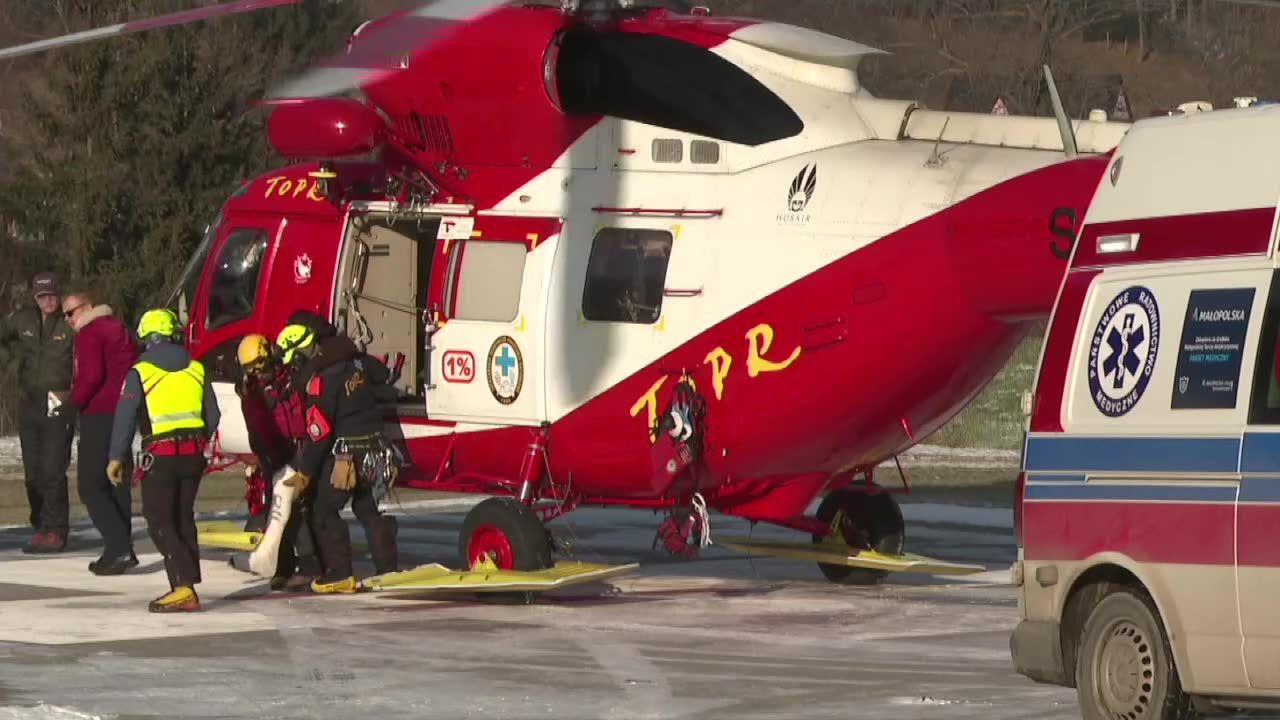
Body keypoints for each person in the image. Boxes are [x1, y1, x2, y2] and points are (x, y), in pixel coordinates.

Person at [108, 309, 219, 613]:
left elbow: (125, 419)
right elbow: (214, 416)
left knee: (159, 519)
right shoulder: (197, 368)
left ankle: (183, 588)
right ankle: (187, 583)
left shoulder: (140, 373)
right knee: (183, 516)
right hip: (193, 456)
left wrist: (115, 457)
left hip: (161, 458)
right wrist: (198, 440)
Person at [277, 322, 400, 594]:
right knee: (367, 509)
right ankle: (388, 571)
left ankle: (340, 573)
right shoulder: (358, 363)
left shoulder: (321, 383)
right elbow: (386, 377)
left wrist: (306, 472)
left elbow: (319, 435)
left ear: (299, 356)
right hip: (377, 451)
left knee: (323, 510)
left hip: (348, 456)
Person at [234, 333, 322, 591]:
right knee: (281, 509)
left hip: (297, 451)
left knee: (300, 508)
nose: (257, 373)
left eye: (258, 366)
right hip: (275, 456)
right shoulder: (254, 393)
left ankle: (309, 565)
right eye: (250, 369)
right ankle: (284, 567)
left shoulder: (288, 380)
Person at [62, 287, 140, 575]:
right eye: (64, 315)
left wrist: (72, 404)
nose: (68, 319)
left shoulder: (90, 332)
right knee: (116, 479)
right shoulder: (119, 328)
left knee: (91, 485)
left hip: (99, 413)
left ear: (86, 306)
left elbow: (91, 375)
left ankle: (118, 547)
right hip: (124, 411)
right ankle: (122, 548)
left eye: (71, 312)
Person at [0, 272, 75, 553]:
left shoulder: (69, 322)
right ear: (35, 297)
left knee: (53, 469)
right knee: (32, 472)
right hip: (28, 400)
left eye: (52, 295)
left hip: (58, 400)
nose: (48, 301)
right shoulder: (21, 320)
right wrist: (8, 362)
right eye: (42, 296)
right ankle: (41, 526)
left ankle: (56, 530)